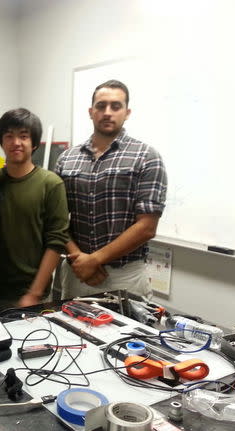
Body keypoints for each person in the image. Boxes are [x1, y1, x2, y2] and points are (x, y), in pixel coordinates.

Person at [55, 79, 167, 299]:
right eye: (101, 105)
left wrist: (95, 260)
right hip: (77, 271)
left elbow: (147, 227)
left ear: (127, 112)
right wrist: (79, 258)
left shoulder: (146, 157)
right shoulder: (66, 159)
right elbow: (55, 219)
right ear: (91, 111)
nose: (107, 112)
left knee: (130, 334)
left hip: (125, 276)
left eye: (116, 106)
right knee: (68, 332)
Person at [0, 108, 69, 312]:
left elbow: (56, 242)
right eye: (9, 136)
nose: (16, 142)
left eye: (23, 136)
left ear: (35, 143)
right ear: (2, 141)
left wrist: (34, 293)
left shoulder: (51, 184)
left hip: (31, 294)